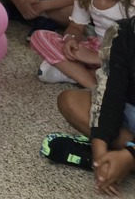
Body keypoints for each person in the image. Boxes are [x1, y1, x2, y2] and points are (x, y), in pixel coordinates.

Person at [49, 18, 135, 194]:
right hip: (130, 110)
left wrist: (130, 156)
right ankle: (112, 160)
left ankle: (122, 159)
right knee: (70, 101)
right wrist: (99, 154)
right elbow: (110, 95)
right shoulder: (123, 30)